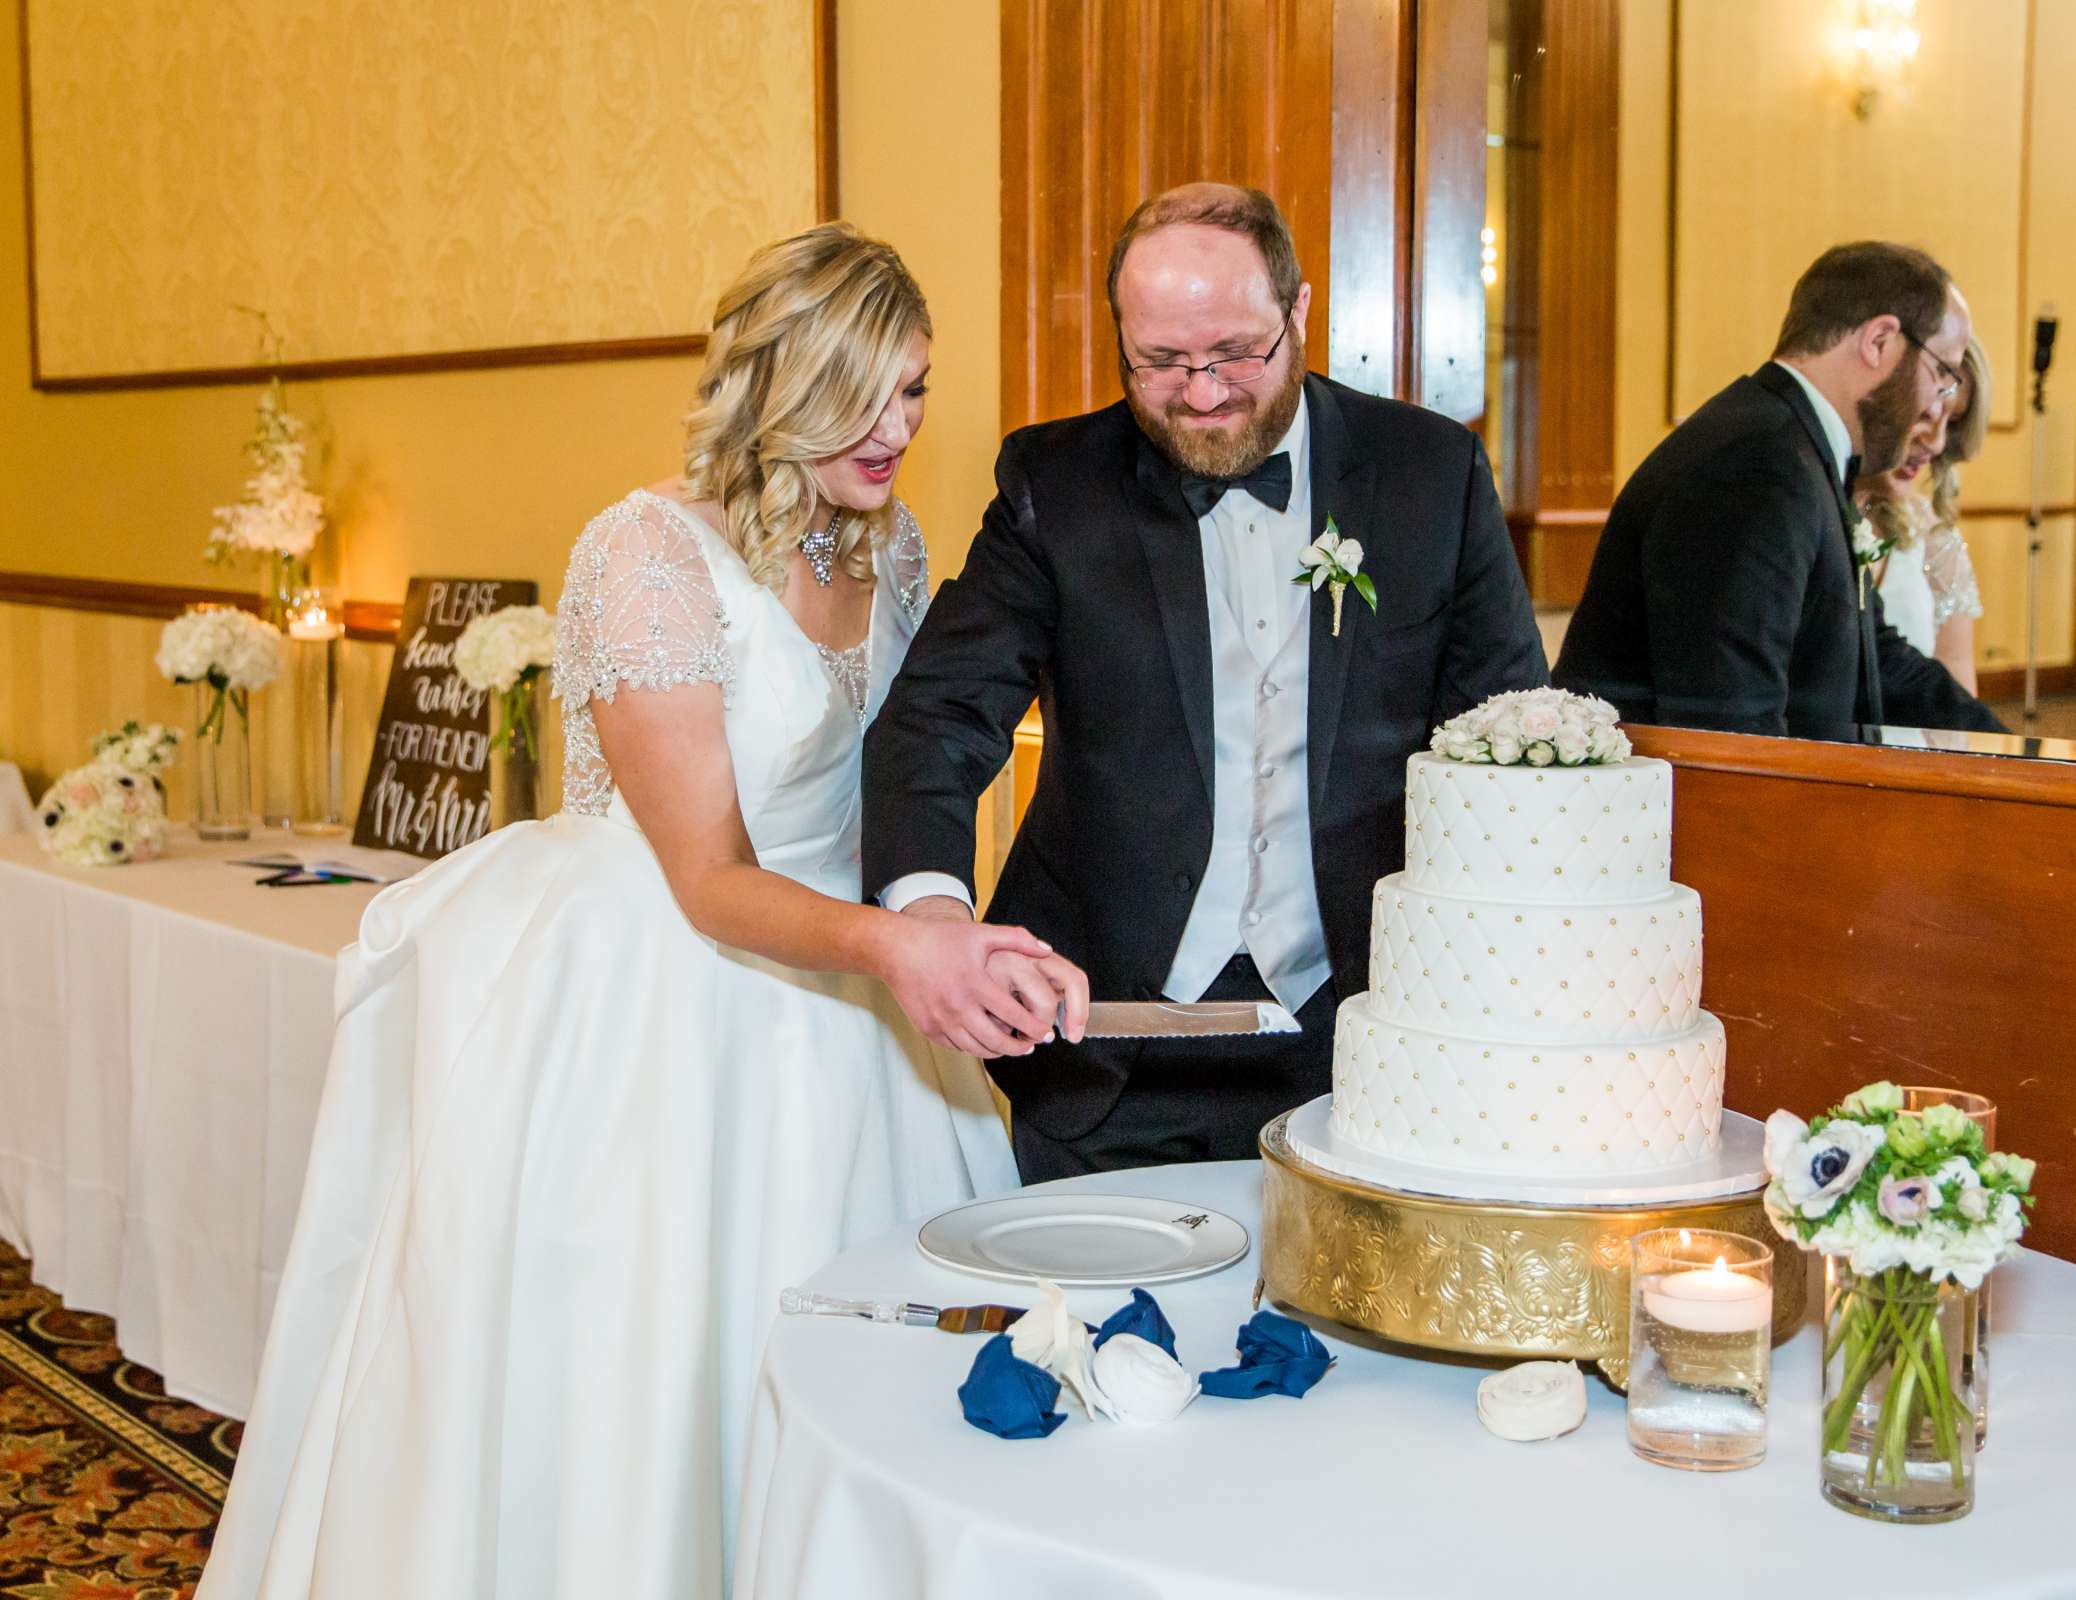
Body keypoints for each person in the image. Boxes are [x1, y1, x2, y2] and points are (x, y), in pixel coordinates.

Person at [198, 226, 1080, 1600]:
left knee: (865, 1363)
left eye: (916, 388)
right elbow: (710, 877)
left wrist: (942, 921)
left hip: (858, 999)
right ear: (775, 378)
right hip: (666, 992)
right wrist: (894, 947)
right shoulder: (647, 553)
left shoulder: (895, 544)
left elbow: (909, 773)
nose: (900, 426)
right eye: (866, 389)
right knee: (654, 1365)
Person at [862, 183, 1548, 1183]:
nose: (1204, 392)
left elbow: (1505, 741)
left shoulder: (1429, 475)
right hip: (1104, 1050)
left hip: (1361, 1048)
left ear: (1300, 312)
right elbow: (939, 715)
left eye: (1236, 354)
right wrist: (929, 915)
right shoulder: (1056, 483)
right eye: (1161, 364)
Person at [1552, 241, 2003, 737]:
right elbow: (1729, 726)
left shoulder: (1794, 444)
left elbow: (1882, 661)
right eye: (1942, 374)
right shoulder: (1755, 464)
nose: (1939, 407)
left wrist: (2019, 755)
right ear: (1878, 341)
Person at [1858, 335, 1992, 694]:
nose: (1937, 442)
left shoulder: (1935, 540)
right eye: (1924, 413)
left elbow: (1955, 679)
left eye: (1953, 422)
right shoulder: (1809, 509)